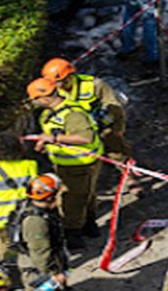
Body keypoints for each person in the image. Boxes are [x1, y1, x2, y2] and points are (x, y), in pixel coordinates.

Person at [27, 79, 103, 248]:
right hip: (71, 164)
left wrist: (53, 139)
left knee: (73, 199)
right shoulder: (51, 112)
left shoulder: (72, 114)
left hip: (80, 164)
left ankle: (73, 235)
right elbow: (56, 132)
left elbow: (85, 137)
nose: (34, 103)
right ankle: (89, 226)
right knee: (86, 193)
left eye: (36, 99)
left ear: (45, 98)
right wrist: (46, 143)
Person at [41, 57, 131, 165]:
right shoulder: (51, 92)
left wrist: (118, 128)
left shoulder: (93, 85)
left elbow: (114, 105)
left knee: (116, 149)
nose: (57, 86)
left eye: (60, 82)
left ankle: (127, 173)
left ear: (69, 77)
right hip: (77, 129)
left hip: (102, 126)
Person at [0, 132, 39, 258]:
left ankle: (11, 269)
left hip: (1, 219)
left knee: (7, 245)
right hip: (28, 214)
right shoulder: (30, 165)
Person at [5, 174, 68, 291]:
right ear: (50, 197)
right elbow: (40, 251)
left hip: (41, 260)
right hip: (37, 267)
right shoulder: (36, 221)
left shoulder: (35, 208)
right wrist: (54, 274)